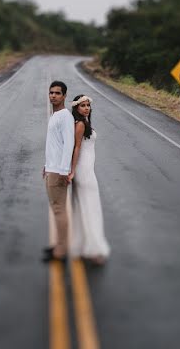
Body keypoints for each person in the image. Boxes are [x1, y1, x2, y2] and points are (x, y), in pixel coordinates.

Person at [68, 94, 110, 265]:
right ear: (76, 108)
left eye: (88, 105)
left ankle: (85, 245)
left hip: (87, 169)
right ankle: (93, 249)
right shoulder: (79, 124)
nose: (86, 108)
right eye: (82, 105)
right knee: (90, 207)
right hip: (83, 171)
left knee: (84, 206)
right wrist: (72, 171)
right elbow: (76, 148)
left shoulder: (84, 123)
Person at [42, 80, 74, 262]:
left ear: (64, 96)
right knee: (56, 209)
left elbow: (69, 144)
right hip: (51, 168)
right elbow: (54, 145)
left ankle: (61, 250)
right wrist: (46, 165)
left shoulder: (65, 116)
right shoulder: (54, 116)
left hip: (58, 172)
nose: (53, 95)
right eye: (51, 92)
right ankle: (59, 245)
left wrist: (63, 171)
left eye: (57, 93)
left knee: (59, 209)